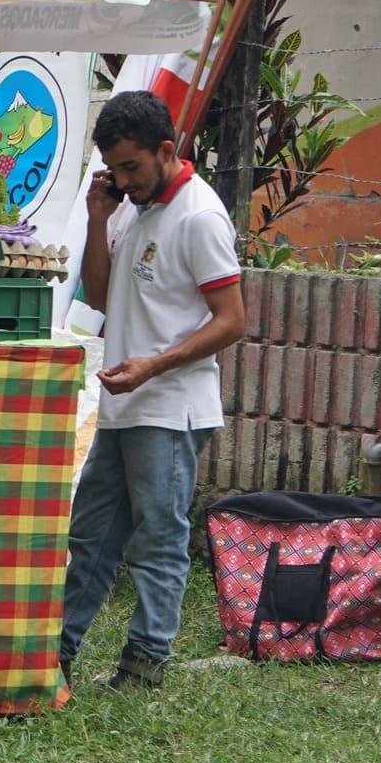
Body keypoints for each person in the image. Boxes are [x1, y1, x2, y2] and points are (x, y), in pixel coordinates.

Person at [62, 90, 247, 690]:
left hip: (169, 409)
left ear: (166, 151)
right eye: (113, 169)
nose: (122, 180)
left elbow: (232, 320)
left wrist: (153, 366)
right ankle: (56, 654)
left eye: (131, 168)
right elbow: (97, 296)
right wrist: (96, 215)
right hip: (125, 403)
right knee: (91, 537)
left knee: (158, 538)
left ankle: (144, 667)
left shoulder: (198, 215)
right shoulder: (129, 206)